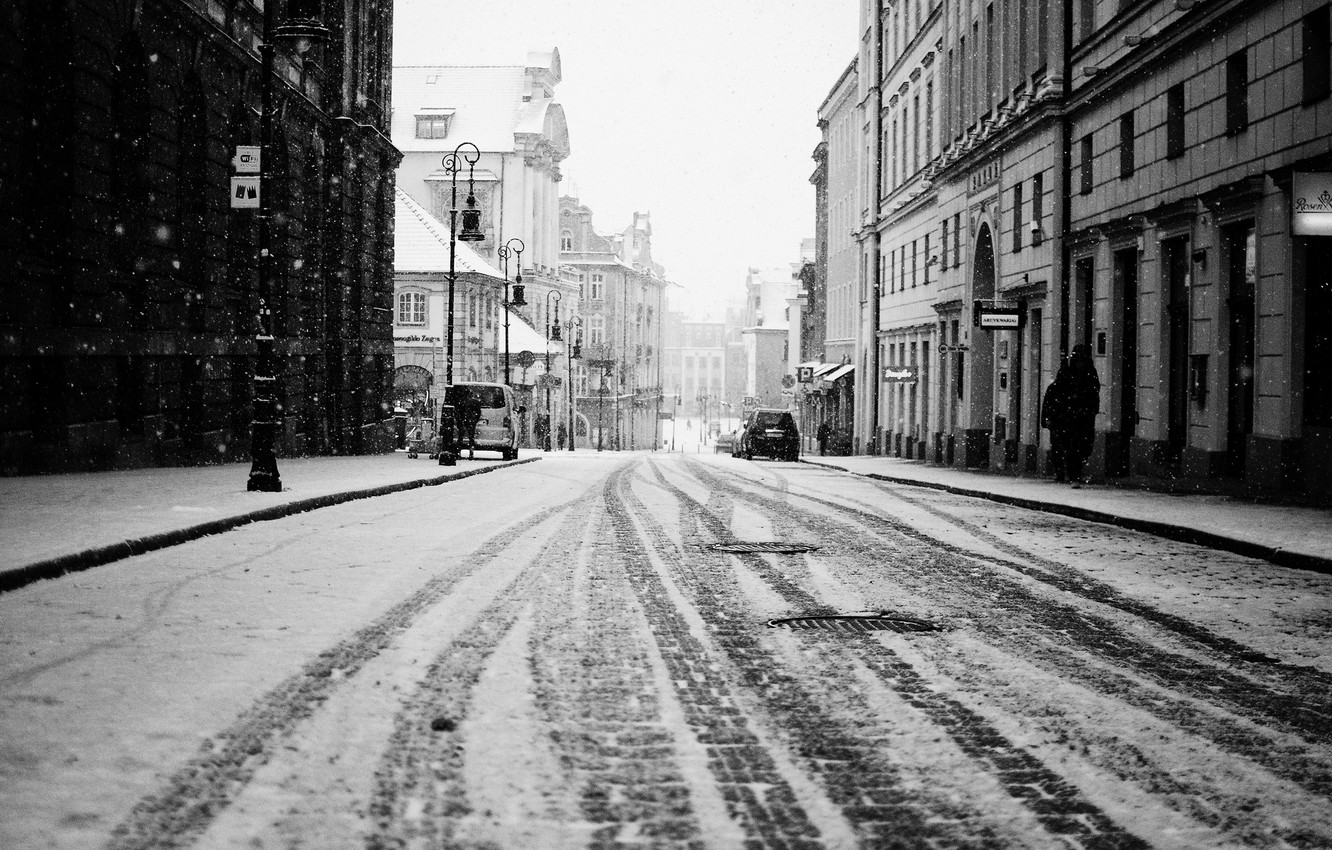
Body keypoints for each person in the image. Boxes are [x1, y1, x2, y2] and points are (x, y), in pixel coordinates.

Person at [1043, 345, 1101, 487]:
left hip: (1084, 417)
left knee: (1085, 447)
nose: (1080, 362)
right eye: (1078, 358)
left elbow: (1095, 392)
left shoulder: (1090, 373)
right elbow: (1057, 393)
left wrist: (1091, 408)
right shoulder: (1067, 372)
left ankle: (1074, 472)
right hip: (1069, 417)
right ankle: (1074, 475)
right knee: (1072, 447)